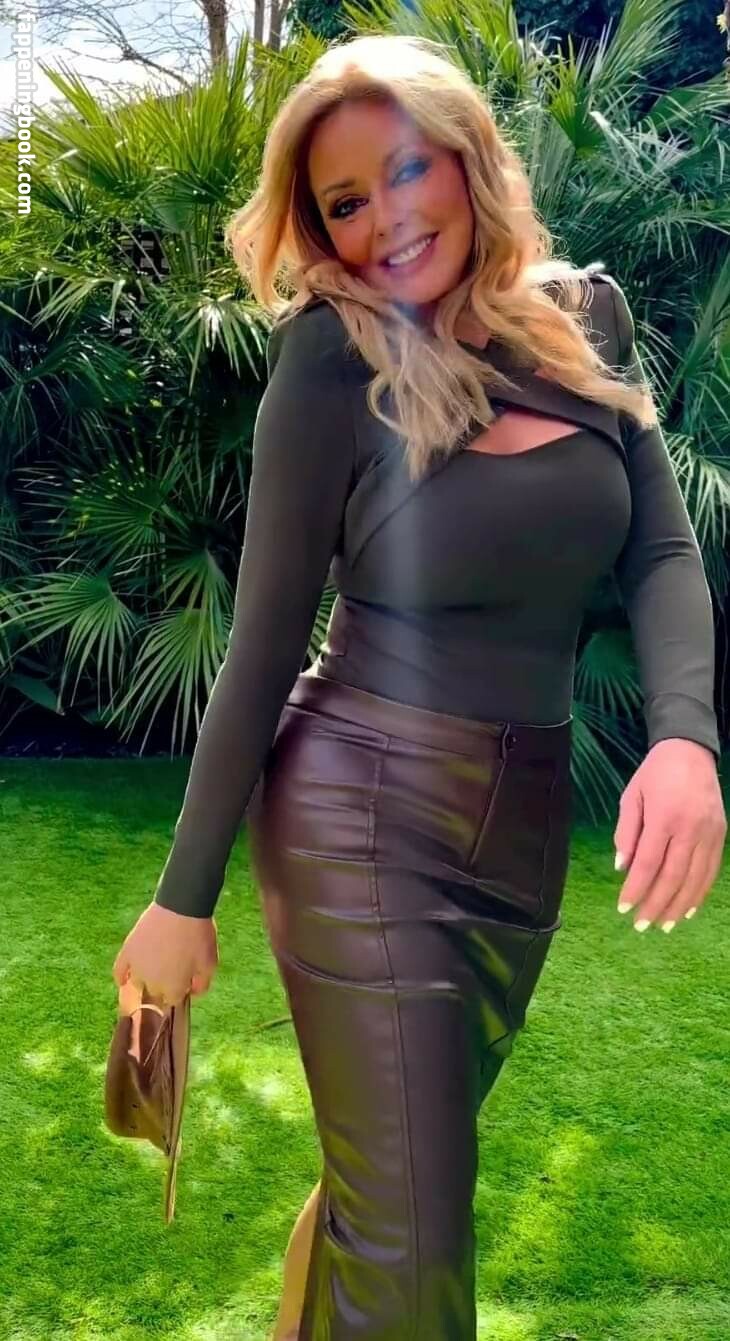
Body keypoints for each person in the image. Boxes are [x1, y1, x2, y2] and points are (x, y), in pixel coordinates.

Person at [112, 32, 727, 1339]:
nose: (384, 219)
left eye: (404, 171)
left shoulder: (587, 318)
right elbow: (266, 640)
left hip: (521, 838)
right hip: (359, 814)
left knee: (386, 1200)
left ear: (466, 157)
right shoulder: (329, 362)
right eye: (344, 202)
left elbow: (661, 550)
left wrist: (685, 740)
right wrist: (182, 900)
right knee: (412, 1239)